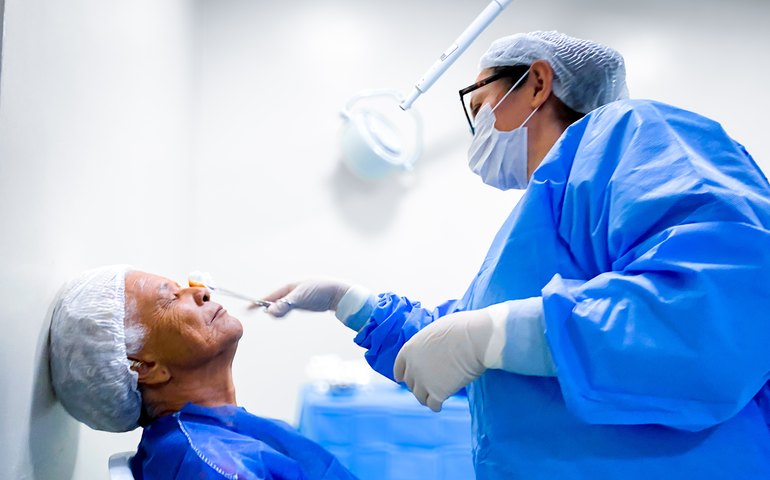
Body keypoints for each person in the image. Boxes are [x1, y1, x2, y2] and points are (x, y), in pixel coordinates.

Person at [264, 31, 770, 478]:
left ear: (536, 84)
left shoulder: (636, 132)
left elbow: (724, 305)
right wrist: (350, 301)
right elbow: (467, 344)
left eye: (478, 104)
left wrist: (497, 335)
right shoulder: (541, 216)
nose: (475, 128)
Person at [49, 265, 357, 480]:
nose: (202, 294)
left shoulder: (215, 438)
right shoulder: (207, 464)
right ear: (146, 368)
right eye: (170, 297)